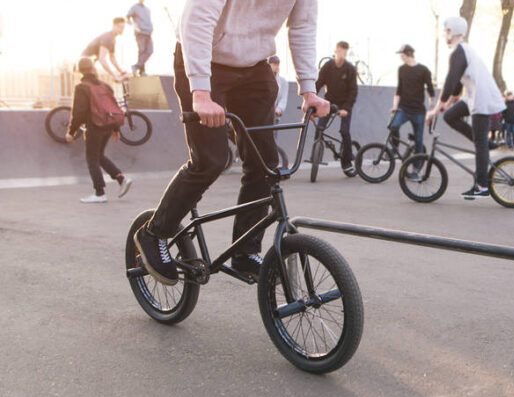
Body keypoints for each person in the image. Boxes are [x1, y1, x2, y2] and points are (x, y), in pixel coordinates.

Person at [133, 0, 330, 286]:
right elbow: (197, 19)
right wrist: (201, 92)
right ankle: (154, 233)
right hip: (203, 58)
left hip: (254, 67)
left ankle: (245, 252)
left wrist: (309, 90)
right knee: (210, 160)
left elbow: (302, 28)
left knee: (265, 164)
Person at [428, 16, 506, 199]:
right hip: (473, 97)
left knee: (480, 144)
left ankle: (482, 186)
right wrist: (447, 104)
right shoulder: (462, 51)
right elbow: (456, 86)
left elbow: (450, 82)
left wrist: (436, 108)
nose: (444, 35)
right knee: (450, 116)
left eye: (446, 31)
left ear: (452, 32)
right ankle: (486, 144)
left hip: (481, 99)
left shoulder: (460, 51)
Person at [65, 57, 133, 203]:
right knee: (99, 156)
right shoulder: (105, 86)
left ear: (80, 71)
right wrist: (115, 128)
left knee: (92, 158)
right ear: (93, 68)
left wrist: (71, 132)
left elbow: (78, 112)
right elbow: (112, 107)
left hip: (95, 126)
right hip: (108, 126)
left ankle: (99, 192)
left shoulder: (82, 87)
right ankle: (121, 178)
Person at [316, 41, 358, 176]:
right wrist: (311, 98)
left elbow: (353, 91)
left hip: (345, 105)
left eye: (345, 52)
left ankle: (347, 163)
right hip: (329, 103)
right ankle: (316, 156)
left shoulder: (350, 69)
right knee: (319, 128)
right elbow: (318, 83)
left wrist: (346, 108)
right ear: (335, 51)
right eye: (340, 51)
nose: (342, 54)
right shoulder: (327, 66)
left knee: (344, 132)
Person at [389, 44, 434, 169]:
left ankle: (416, 169)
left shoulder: (424, 70)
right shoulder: (401, 69)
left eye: (402, 55)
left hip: (418, 111)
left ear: (408, 54)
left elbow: (430, 90)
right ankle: (395, 147)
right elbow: (399, 89)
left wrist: (431, 111)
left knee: (418, 140)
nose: (400, 57)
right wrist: (395, 106)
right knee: (393, 126)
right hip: (403, 108)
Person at [82, 17, 130, 82]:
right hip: (83, 65)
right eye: (119, 27)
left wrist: (122, 72)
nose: (121, 29)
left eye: (123, 27)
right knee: (95, 81)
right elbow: (102, 59)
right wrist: (115, 76)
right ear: (114, 26)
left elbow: (112, 58)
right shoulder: (108, 38)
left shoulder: (112, 39)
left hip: (89, 65)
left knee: (96, 81)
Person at [126, 0, 153, 76]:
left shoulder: (147, 9)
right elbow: (127, 18)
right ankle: (142, 71)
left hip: (148, 33)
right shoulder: (134, 7)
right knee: (142, 50)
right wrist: (133, 25)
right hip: (140, 32)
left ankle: (136, 66)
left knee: (150, 51)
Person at [269, 56, 288, 122]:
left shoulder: (283, 82)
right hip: (263, 115)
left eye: (278, 64)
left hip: (275, 116)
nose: (277, 66)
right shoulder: (262, 80)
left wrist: (279, 109)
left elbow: (283, 98)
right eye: (274, 64)